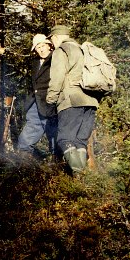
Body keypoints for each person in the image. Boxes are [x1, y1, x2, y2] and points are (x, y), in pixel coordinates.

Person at [45, 25, 99, 173]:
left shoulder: (61, 51)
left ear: (55, 37)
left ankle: (78, 178)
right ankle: (82, 182)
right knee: (80, 142)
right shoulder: (84, 50)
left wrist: (50, 100)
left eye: (51, 40)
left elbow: (57, 78)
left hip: (71, 101)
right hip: (91, 102)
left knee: (65, 139)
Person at [17, 34, 58, 158]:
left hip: (50, 101)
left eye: (43, 46)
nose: (41, 49)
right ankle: (23, 156)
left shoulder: (56, 59)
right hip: (35, 101)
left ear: (49, 46)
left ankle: (57, 158)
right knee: (32, 126)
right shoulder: (35, 62)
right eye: (38, 47)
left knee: (53, 129)